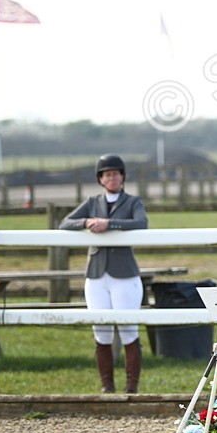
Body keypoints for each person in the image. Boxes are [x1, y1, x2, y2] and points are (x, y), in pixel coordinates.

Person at [59, 154, 149, 393]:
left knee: (129, 331)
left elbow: (141, 223)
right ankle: (107, 387)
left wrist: (110, 223)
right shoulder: (92, 201)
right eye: (107, 174)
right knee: (101, 331)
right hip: (97, 273)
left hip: (124, 273)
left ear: (122, 177)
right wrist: (86, 222)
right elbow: (65, 223)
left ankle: (132, 387)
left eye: (116, 174)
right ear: (101, 178)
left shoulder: (133, 201)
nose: (112, 178)